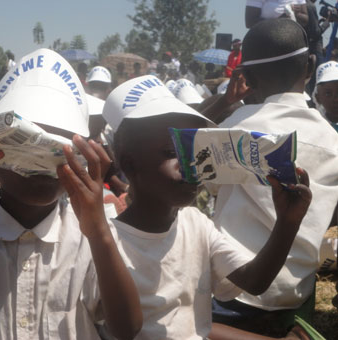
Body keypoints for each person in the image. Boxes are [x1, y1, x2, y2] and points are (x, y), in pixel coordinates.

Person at [0, 48, 142, 340]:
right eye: (23, 144)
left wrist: (99, 232)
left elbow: (127, 328)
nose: (40, 165)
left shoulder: (89, 233)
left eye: (56, 149)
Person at [101, 75, 313, 339]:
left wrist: (288, 222)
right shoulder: (107, 243)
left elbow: (254, 281)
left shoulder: (195, 223)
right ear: (130, 165)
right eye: (171, 153)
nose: (191, 165)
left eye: (195, 152)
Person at [212, 18, 338, 333]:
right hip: (297, 293)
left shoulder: (236, 126)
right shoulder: (333, 141)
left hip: (234, 291)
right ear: (310, 66)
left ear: (249, 78)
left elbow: (203, 180)